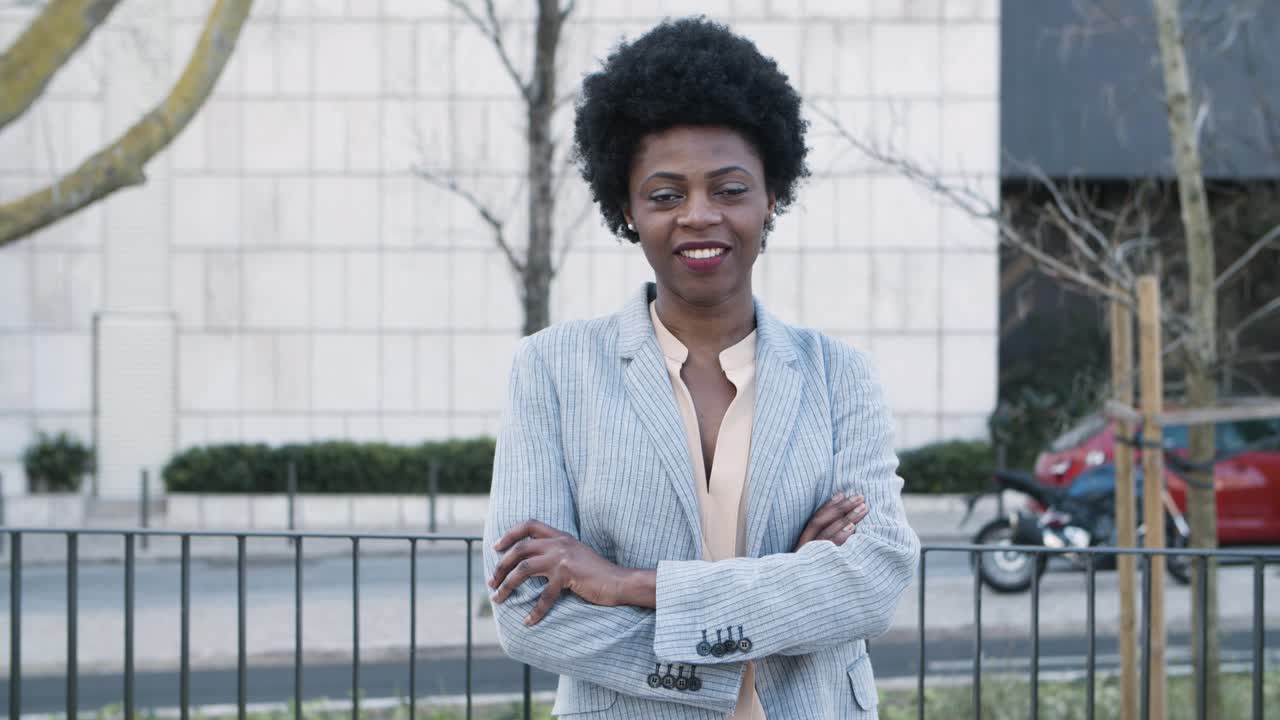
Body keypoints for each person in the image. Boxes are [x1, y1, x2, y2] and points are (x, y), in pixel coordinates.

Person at [482, 17, 919, 719]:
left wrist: (630, 583)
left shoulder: (842, 376)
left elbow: (873, 581)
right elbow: (529, 608)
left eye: (729, 188)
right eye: (665, 194)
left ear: (771, 196)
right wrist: (775, 612)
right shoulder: (552, 371)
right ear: (625, 207)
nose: (699, 215)